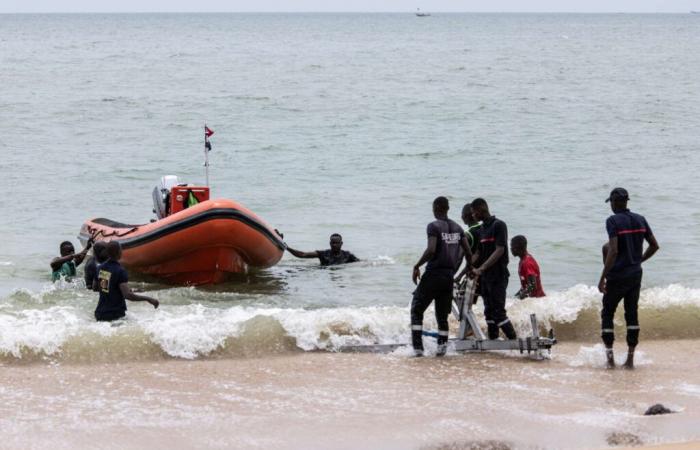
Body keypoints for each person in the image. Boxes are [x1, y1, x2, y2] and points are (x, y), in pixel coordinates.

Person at [598, 187, 659, 369]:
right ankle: (630, 360)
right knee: (631, 314)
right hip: (635, 274)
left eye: (611, 202)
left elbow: (614, 250)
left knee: (607, 313)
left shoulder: (612, 221)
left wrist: (602, 277)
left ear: (615, 202)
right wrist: (638, 260)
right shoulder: (640, 219)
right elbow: (654, 246)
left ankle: (610, 360)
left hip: (618, 275)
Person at [411, 197, 472, 357]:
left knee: (417, 308)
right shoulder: (458, 228)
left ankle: (417, 350)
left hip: (434, 274)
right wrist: (470, 268)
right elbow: (468, 253)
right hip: (448, 277)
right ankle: (441, 351)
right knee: (442, 316)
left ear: (436, 208)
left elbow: (431, 250)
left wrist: (417, 265)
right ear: (448, 208)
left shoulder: (433, 226)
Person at [470, 198, 517, 340]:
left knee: (498, 313)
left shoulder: (499, 225)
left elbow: (500, 250)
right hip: (485, 278)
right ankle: (493, 342)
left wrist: (482, 268)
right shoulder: (481, 229)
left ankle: (514, 341)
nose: (473, 216)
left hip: (498, 276)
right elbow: (478, 253)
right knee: (488, 312)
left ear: (481, 209)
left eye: (474, 212)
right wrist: (467, 269)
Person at [93, 241, 159, 322]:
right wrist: (148, 299)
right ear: (118, 252)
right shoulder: (120, 271)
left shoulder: (100, 268)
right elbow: (127, 295)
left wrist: (115, 289)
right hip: (115, 314)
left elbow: (95, 287)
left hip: (100, 313)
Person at [287, 234, 360, 266]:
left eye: (337, 243)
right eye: (333, 243)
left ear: (341, 243)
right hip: (324, 274)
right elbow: (303, 255)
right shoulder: (324, 254)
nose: (334, 245)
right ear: (330, 243)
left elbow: (360, 263)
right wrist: (286, 248)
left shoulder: (347, 255)